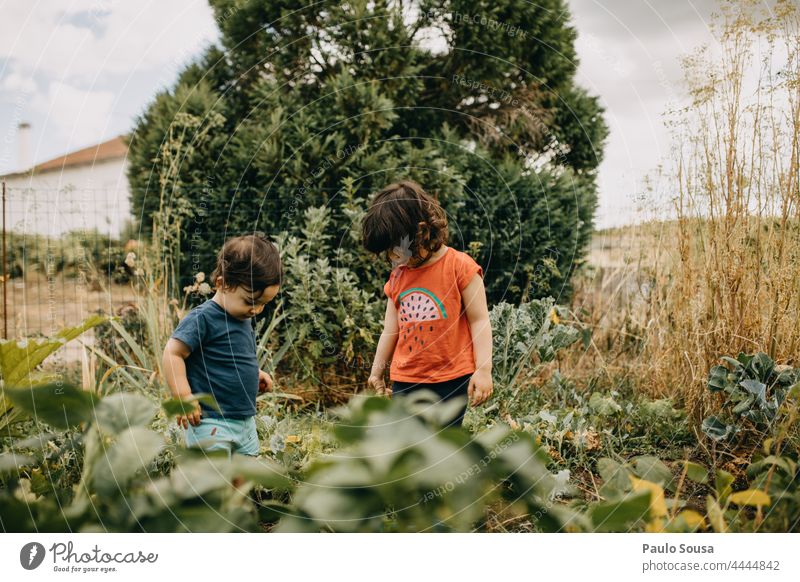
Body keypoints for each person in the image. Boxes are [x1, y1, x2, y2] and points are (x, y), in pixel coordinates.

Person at [362, 180, 493, 427]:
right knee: (408, 447)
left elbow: (479, 320)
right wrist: (376, 371)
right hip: (406, 379)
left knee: (443, 446)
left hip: (452, 379)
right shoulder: (398, 277)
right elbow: (390, 331)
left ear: (421, 231)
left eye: (396, 250)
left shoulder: (460, 267)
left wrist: (483, 369)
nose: (393, 258)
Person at [162, 233, 282, 456]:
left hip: (245, 422)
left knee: (243, 481)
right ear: (222, 284)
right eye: (250, 301)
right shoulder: (203, 318)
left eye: (264, 304)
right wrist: (183, 396)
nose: (256, 310)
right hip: (210, 422)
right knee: (213, 483)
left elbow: (230, 356)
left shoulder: (242, 317)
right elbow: (172, 352)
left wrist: (255, 372)